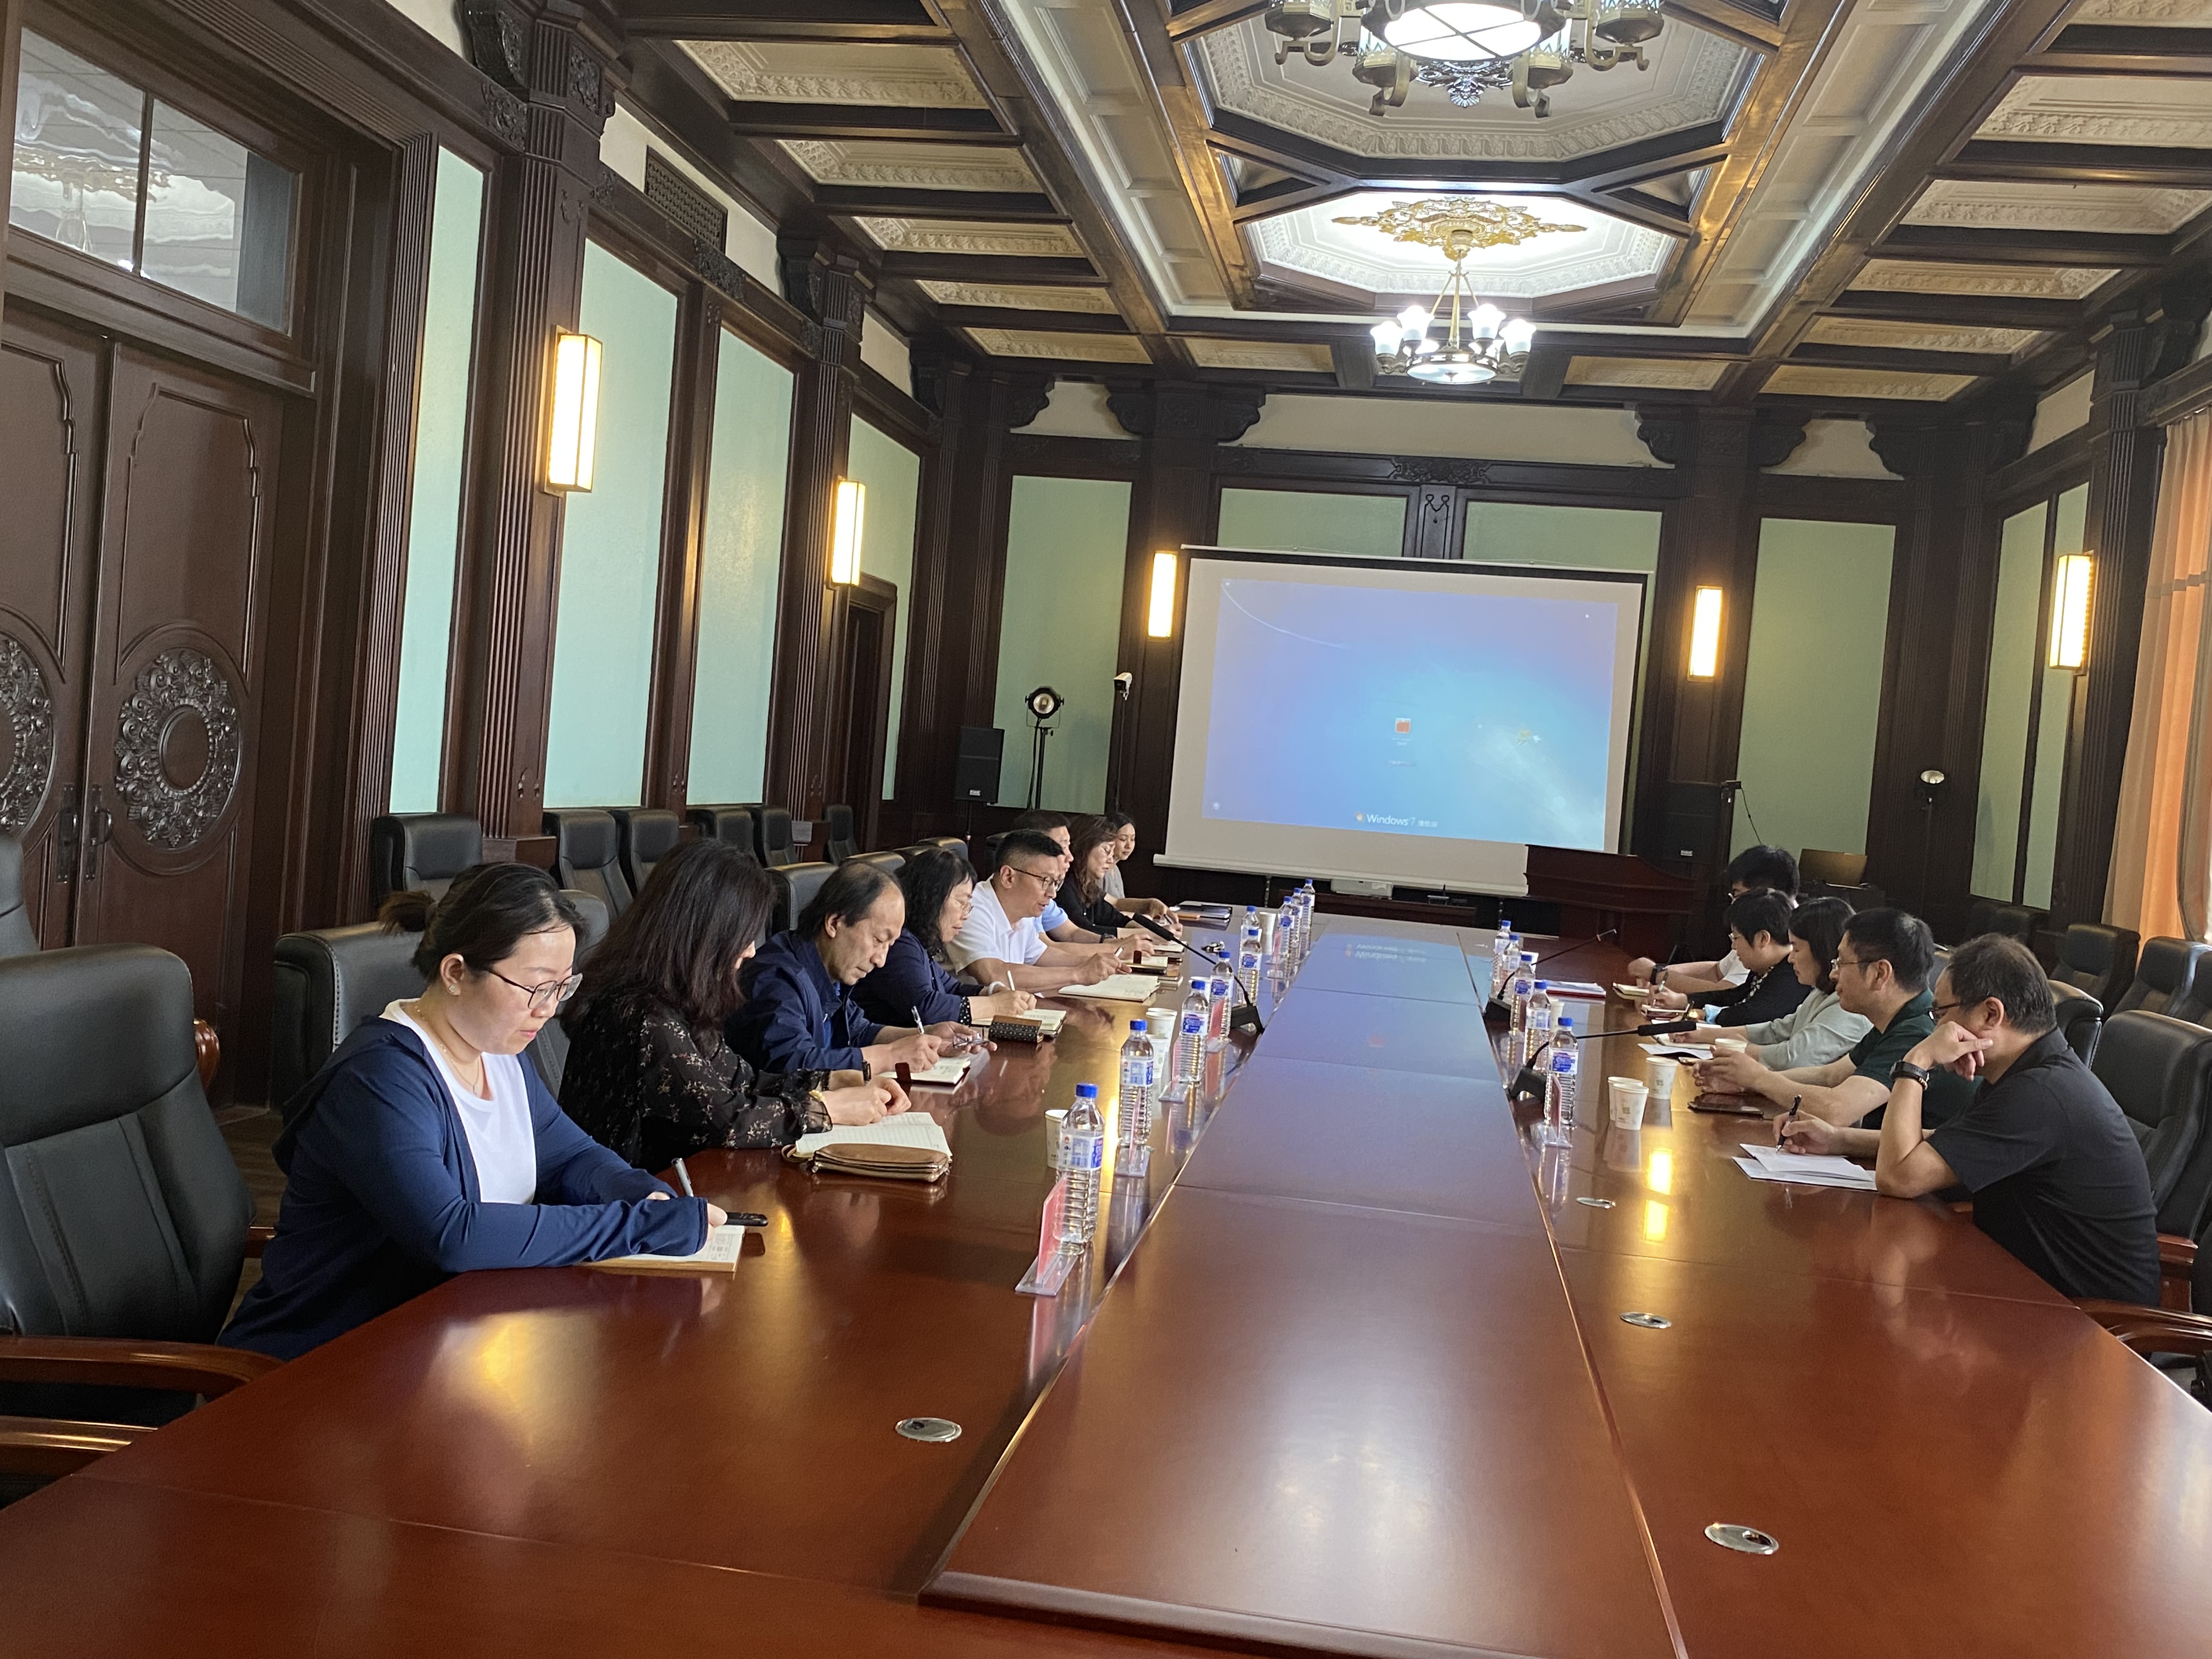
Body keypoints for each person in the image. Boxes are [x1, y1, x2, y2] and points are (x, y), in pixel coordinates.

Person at [222, 864, 716, 1360]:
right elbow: (452, 1235)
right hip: (322, 1362)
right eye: (537, 987)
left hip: (447, 1341)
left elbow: (572, 1157)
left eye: (561, 987)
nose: (548, 1009)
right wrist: (636, 1227)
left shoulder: (499, 1054)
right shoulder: (380, 1079)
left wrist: (640, 1191)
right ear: (456, 972)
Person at [1778, 935, 2158, 1304]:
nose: (1935, 1028)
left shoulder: (2040, 1094)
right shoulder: (2027, 1073)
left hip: (2083, 1320)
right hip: (2020, 1286)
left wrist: (1916, 1061)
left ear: (1991, 1014)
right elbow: (1944, 1142)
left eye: (1940, 1013)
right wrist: (1839, 1139)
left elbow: (1899, 1178)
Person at [560, 840, 907, 1172]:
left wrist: (830, 1080)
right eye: (745, 935)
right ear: (707, 933)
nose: (752, 950)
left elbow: (744, 1080)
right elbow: (726, 1120)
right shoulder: (643, 1015)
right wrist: (826, 1107)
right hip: (627, 1201)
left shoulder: (679, 1000)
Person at [1694, 907, 1972, 1127]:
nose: (1834, 973)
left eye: (1842, 962)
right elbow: (1830, 1075)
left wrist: (1758, 1079)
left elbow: (1836, 1109)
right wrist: (1747, 1084)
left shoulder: (1917, 1029)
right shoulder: (1895, 1019)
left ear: (1880, 974)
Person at [727, 862, 955, 1077]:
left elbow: (858, 1032)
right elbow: (794, 1066)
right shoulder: (776, 977)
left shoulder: (831, 971)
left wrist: (927, 1036)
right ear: (835, 923)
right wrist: (890, 1056)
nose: (881, 960)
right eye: (878, 940)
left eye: (890, 945)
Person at [851, 848, 1038, 1029]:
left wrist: (991, 992)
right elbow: (925, 1008)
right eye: (961, 902)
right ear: (932, 898)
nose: (966, 914)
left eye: (968, 905)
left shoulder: (919, 943)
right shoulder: (899, 943)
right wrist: (994, 1005)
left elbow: (953, 989)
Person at [1689, 896, 1870, 1070]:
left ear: (1821, 950)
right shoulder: (1821, 993)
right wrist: (1702, 1035)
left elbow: (1794, 1058)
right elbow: (1778, 1030)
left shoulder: (1851, 1007)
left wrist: (1744, 1049)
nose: (1790, 958)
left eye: (1796, 949)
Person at [951, 829, 1119, 992]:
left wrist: (1095, 964)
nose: (1052, 894)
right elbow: (995, 975)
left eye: (1055, 883)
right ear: (1008, 877)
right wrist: (1078, 974)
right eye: (1045, 881)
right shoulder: (971, 908)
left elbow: (1042, 956)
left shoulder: (1023, 910)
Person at [1629, 844, 1798, 997]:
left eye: (1737, 894)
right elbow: (1717, 971)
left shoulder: (1777, 934)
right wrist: (1659, 971)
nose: (1733, 903)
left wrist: (1657, 976)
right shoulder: (1760, 923)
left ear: (1764, 894)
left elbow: (1728, 993)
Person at [1667, 889, 1809, 1029]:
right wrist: (1684, 1000)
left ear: (1763, 939)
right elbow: (1734, 995)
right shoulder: (1767, 967)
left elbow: (1754, 1015)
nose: (1734, 947)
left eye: (1736, 938)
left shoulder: (1793, 973)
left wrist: (1707, 1015)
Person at [1007, 809, 1127, 949]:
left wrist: (1111, 943)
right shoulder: (1029, 893)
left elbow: (1071, 933)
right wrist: (1113, 948)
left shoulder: (1043, 894)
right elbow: (1046, 951)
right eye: (1063, 847)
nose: (1070, 857)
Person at [1057, 815, 1135, 938]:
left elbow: (1116, 919)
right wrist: (1146, 934)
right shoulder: (1065, 887)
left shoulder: (1087, 886)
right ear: (1085, 848)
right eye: (1107, 851)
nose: (1111, 860)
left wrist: (1157, 932)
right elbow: (1083, 931)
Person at [1098, 810, 1173, 922]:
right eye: (1123, 839)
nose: (1129, 845)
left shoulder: (1116, 869)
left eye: (1132, 839)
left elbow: (1119, 904)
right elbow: (1105, 911)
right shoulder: (1099, 871)